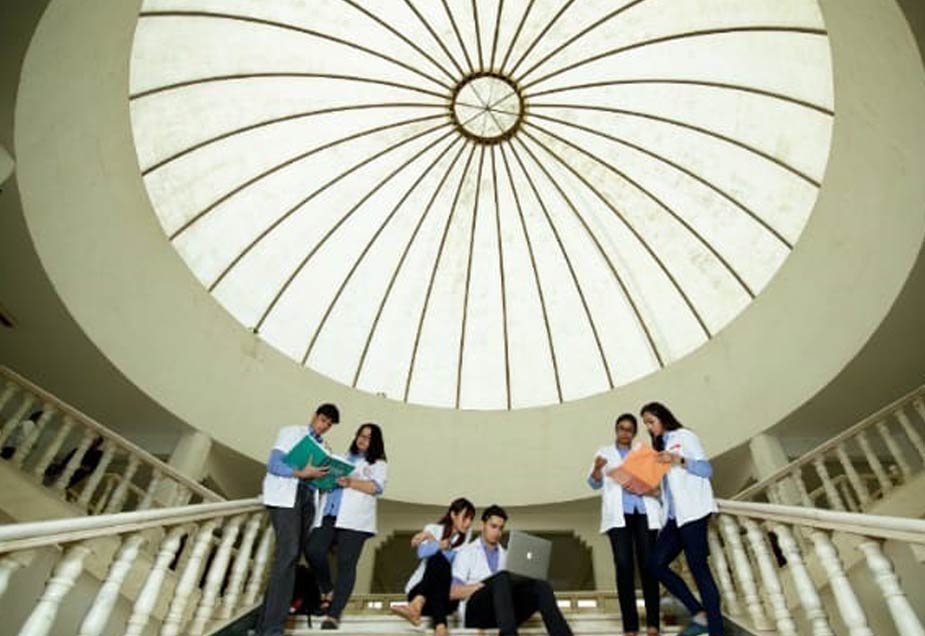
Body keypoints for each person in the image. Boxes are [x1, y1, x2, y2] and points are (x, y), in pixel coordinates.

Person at [257, 403, 340, 636]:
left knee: (289, 560)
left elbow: (320, 481)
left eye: (329, 425)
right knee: (288, 555)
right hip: (287, 497)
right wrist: (301, 473)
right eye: (323, 420)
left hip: (307, 500)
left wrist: (329, 479)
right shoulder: (291, 433)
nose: (324, 426)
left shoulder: (326, 448)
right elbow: (274, 464)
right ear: (314, 416)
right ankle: (273, 629)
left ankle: (265, 624)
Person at [642, 402, 722, 636]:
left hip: (694, 513)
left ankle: (716, 629)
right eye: (646, 423)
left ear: (662, 417)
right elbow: (671, 489)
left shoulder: (684, 436)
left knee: (699, 569)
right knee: (654, 564)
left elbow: (706, 470)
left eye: (650, 421)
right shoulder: (659, 449)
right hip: (674, 518)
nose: (648, 427)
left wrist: (678, 460)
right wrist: (653, 492)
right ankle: (699, 613)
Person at [307, 423, 388, 630]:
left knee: (346, 563)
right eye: (360, 435)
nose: (362, 439)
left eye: (368, 437)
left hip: (355, 520)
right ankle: (328, 590)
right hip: (329, 513)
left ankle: (333, 615)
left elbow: (376, 487)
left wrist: (351, 482)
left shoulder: (378, 463)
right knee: (314, 550)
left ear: (375, 442)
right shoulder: (341, 459)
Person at [588, 413, 663, 636]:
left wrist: (647, 488)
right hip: (618, 516)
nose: (624, 433)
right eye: (621, 428)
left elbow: (657, 486)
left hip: (644, 512)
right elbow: (593, 483)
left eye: (629, 429)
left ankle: (653, 624)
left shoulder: (643, 453)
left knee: (649, 566)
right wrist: (596, 468)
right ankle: (630, 626)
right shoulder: (604, 452)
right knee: (623, 566)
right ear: (616, 429)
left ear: (634, 433)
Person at [451, 505, 573, 636]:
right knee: (502, 578)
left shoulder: (508, 556)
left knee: (541, 586)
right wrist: (483, 587)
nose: (497, 532)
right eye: (493, 526)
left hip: (503, 616)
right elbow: (452, 592)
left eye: (501, 528)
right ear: (483, 525)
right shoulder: (466, 553)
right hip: (476, 615)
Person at [392, 497, 476, 636]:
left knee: (440, 560)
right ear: (453, 515)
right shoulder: (433, 528)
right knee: (436, 559)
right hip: (421, 591)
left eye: (470, 519)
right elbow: (421, 552)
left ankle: (416, 606)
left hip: (446, 598)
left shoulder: (465, 538)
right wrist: (438, 543)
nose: (468, 523)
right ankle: (440, 627)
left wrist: (432, 541)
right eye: (465, 518)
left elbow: (453, 563)